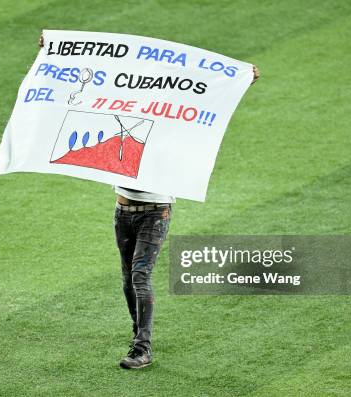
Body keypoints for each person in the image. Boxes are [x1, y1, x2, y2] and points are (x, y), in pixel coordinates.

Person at [38, 33, 260, 369]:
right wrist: (55, 51)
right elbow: (93, 92)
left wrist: (242, 81)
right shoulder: (125, 111)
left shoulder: (171, 123)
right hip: (122, 210)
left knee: (140, 276)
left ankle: (142, 348)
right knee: (127, 277)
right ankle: (138, 330)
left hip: (155, 213)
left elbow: (207, 106)